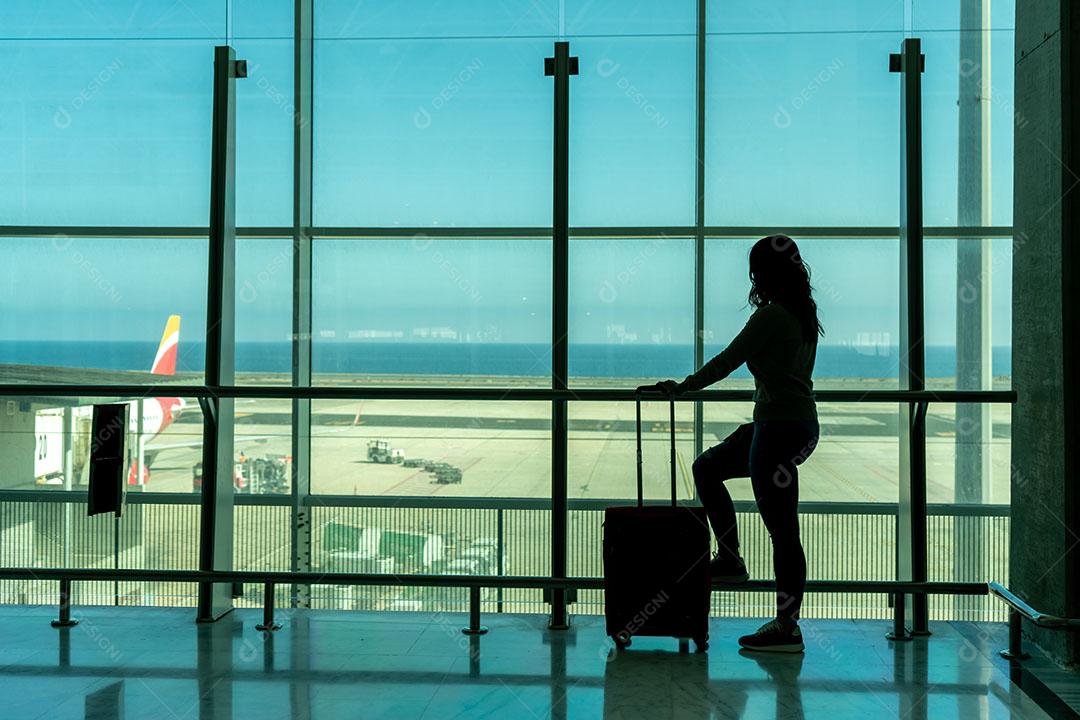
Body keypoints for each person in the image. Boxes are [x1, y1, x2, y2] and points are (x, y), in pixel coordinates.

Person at [654, 234, 821, 653]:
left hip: (777, 429)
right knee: (708, 467)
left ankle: (786, 625)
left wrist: (684, 387)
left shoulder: (770, 317)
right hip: (796, 425)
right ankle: (731, 560)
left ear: (762, 273)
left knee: (782, 530)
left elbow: (728, 360)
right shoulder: (804, 314)